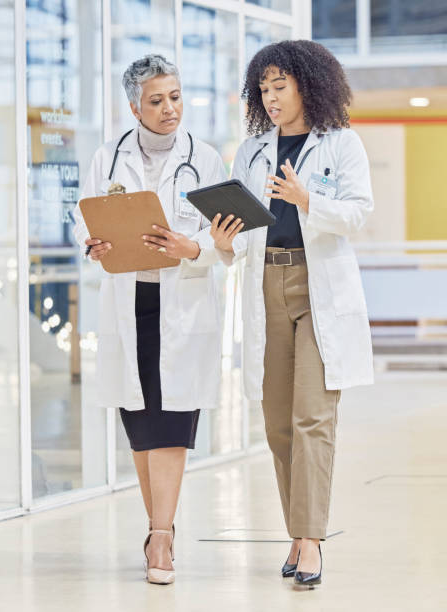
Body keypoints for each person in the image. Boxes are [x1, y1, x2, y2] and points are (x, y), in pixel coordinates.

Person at [211, 40, 374, 587]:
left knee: (312, 418)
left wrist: (308, 201)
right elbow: (242, 234)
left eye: (281, 86)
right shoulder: (251, 150)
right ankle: (297, 531)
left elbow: (358, 215)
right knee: (279, 423)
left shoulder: (342, 143)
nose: (272, 96)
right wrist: (223, 240)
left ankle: (310, 541)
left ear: (309, 84)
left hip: (318, 284)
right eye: (264, 88)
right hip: (265, 282)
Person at [73, 54, 226, 585]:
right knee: (141, 425)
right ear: (134, 106)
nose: (169, 109)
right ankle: (157, 527)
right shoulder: (108, 158)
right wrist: (92, 243)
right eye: (157, 100)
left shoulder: (204, 159)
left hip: (182, 304)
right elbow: (84, 216)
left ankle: (161, 536)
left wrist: (195, 246)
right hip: (129, 301)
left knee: (171, 424)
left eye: (175, 97)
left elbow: (230, 236)